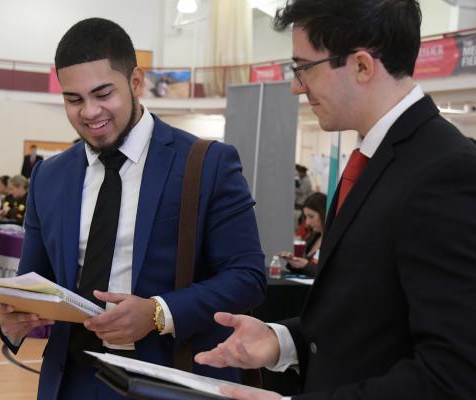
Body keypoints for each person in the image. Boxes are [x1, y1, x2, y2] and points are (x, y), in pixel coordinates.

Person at [195, 1, 476, 399]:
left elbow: (455, 375)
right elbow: (372, 323)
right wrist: (282, 340)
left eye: (303, 67)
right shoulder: (375, 159)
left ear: (362, 65)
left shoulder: (444, 172)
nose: (296, 85)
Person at [0, 17, 265, 400]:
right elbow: (34, 280)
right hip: (71, 380)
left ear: (136, 82)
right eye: (74, 99)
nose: (89, 112)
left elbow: (247, 277)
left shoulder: (207, 163)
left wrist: (158, 313)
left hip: (172, 377)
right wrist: (14, 317)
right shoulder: (49, 176)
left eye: (103, 93)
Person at [278, 192, 326, 278]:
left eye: (311, 216)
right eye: (306, 217)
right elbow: (307, 270)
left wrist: (306, 265)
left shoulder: (332, 241)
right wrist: (294, 262)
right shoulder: (313, 237)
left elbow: (328, 275)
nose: (307, 222)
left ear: (323, 214)